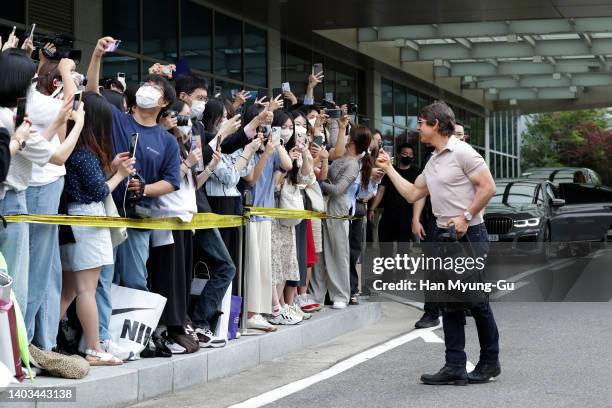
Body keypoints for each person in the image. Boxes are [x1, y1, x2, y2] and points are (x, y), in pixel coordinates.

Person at [376, 101, 500, 385]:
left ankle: (490, 362)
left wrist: (467, 216)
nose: (417, 127)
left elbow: (488, 187)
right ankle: (454, 364)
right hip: (443, 237)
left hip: (469, 236)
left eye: (421, 122)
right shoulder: (434, 159)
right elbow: (412, 194)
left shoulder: (463, 152)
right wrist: (389, 168)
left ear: (435, 124)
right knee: (449, 303)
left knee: (476, 302)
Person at [59, 92, 134, 365]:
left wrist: (111, 168)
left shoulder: (73, 151)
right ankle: (93, 348)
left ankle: (38, 341)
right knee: (86, 290)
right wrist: (120, 175)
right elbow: (99, 191)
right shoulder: (86, 154)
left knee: (68, 291)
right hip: (89, 221)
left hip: (74, 222)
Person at [311, 121, 371, 309]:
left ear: (353, 140)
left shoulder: (353, 165)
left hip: (338, 208)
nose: (343, 138)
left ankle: (341, 295)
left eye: (348, 135)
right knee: (320, 253)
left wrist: (317, 183)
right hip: (325, 206)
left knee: (339, 253)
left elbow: (338, 190)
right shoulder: (340, 157)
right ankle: (317, 294)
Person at [368, 143, 419, 287]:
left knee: (403, 248)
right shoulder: (391, 172)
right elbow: (381, 191)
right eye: (405, 153)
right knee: (386, 246)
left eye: (410, 154)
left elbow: (419, 196)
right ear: (398, 154)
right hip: (389, 213)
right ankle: (387, 277)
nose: (407, 156)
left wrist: (417, 217)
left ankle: (402, 276)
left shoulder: (416, 172)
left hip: (406, 214)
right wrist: (372, 208)